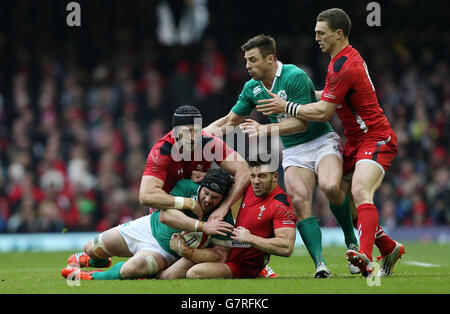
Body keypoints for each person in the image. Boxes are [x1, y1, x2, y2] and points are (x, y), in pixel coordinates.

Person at [255, 8, 405, 277]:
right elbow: (330, 95)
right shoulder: (343, 59)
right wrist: (302, 94)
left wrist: (286, 105)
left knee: (359, 191)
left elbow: (324, 111)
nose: (316, 38)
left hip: (376, 137)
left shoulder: (342, 66)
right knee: (341, 193)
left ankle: (365, 257)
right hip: (355, 141)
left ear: (338, 33)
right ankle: (389, 246)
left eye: (320, 33)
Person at [204, 35, 358, 278]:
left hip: (321, 141)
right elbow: (230, 121)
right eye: (246, 60)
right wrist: (199, 135)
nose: (247, 66)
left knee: (330, 187)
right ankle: (320, 264)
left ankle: (351, 240)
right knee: (299, 200)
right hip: (295, 151)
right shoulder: (251, 88)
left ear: (270, 58)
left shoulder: (295, 76)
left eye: (252, 60)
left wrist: (264, 129)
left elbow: (302, 124)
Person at [61, 168, 236, 280]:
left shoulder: (223, 216)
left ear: (223, 199)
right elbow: (165, 217)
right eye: (206, 193)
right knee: (91, 247)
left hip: (164, 252)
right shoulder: (186, 186)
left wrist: (186, 251)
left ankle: (90, 277)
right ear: (201, 186)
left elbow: (220, 254)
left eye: (215, 198)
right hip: (146, 228)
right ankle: (98, 261)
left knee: (132, 269)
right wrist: (202, 226)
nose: (207, 199)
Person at [182, 155, 297, 279]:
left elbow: (286, 247)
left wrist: (250, 238)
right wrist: (207, 176)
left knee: (194, 273)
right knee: (170, 274)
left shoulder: (281, 205)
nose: (256, 181)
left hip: (243, 265)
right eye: (253, 176)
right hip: (220, 249)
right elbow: (226, 179)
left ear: (275, 176)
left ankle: (261, 271)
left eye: (262, 176)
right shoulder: (249, 187)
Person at [139, 104, 249, 221]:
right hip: (166, 216)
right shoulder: (162, 152)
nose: (192, 137)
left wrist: (224, 206)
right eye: (187, 131)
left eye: (196, 131)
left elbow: (244, 171)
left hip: (203, 211)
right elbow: (146, 196)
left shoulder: (207, 141)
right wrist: (188, 203)